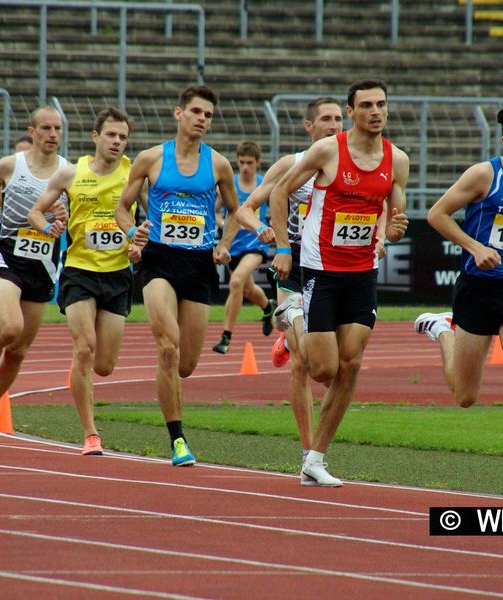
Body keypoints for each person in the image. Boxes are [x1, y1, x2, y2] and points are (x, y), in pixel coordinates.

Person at [270, 79, 410, 486]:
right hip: (320, 270)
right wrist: (283, 246)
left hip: (363, 273)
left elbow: (393, 217)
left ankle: (315, 459)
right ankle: (292, 314)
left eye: (381, 104)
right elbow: (280, 192)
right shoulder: (328, 150)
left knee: (350, 364)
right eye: (366, 105)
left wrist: (392, 231)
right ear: (352, 112)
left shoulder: (396, 159)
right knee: (322, 369)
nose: (375, 112)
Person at [115, 85, 239, 466]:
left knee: (186, 365)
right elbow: (122, 208)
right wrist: (130, 232)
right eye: (197, 112)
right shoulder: (151, 159)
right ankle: (178, 440)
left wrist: (224, 244)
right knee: (167, 345)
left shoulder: (218, 164)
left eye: (209, 115)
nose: (202, 119)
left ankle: (171, 388)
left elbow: (235, 211)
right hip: (159, 260)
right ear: (179, 113)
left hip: (200, 264)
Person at [236, 97, 343, 482]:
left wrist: (383, 232)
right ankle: (307, 457)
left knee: (331, 371)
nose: (334, 125)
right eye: (326, 120)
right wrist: (261, 229)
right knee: (303, 365)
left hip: (334, 266)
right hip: (292, 263)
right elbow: (245, 208)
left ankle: (286, 334)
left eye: (338, 119)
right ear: (308, 127)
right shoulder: (290, 164)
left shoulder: (348, 164)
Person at [28, 107, 144, 455]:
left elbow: (148, 220)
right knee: (84, 348)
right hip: (79, 270)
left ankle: (81, 374)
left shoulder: (134, 173)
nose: (117, 142)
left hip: (118, 273)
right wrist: (48, 227)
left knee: (104, 366)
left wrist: (139, 244)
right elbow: (36, 210)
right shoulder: (71, 173)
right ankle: (90, 433)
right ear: (96, 137)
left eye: (123, 137)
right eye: (111, 135)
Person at [0, 105, 69, 443]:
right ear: (32, 131)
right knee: (10, 327)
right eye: (46, 128)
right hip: (8, 257)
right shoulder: (11, 165)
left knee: (20, 350)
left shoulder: (69, 172)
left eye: (57, 129)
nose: (52, 135)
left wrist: (65, 217)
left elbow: (83, 212)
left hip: (44, 265)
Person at [414, 110, 503, 408]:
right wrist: (475, 247)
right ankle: (442, 330)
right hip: (478, 288)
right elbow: (437, 214)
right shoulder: (485, 175)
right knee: (465, 396)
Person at [211, 141, 275, 354]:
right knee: (246, 289)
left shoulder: (263, 184)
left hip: (255, 245)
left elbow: (277, 209)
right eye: (241, 162)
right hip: (233, 246)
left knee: (236, 281)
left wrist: (269, 227)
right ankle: (267, 308)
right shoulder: (231, 185)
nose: (245, 166)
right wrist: (223, 223)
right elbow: (216, 211)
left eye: (250, 163)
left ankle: (226, 337)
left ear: (258, 162)